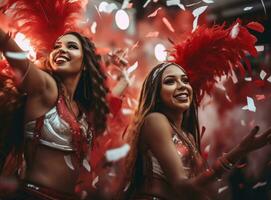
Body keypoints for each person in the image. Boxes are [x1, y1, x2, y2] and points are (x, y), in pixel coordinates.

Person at [0, 28, 128, 200]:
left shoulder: (83, 109)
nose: (61, 49)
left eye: (72, 46)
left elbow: (107, 102)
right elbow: (12, 50)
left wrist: (123, 79)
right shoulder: (46, 88)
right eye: (57, 46)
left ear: (84, 65)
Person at [128, 62, 271, 200]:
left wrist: (241, 150)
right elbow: (182, 185)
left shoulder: (188, 136)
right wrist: (238, 151)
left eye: (185, 80)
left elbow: (200, 185)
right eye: (170, 81)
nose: (182, 86)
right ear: (156, 93)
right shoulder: (155, 120)